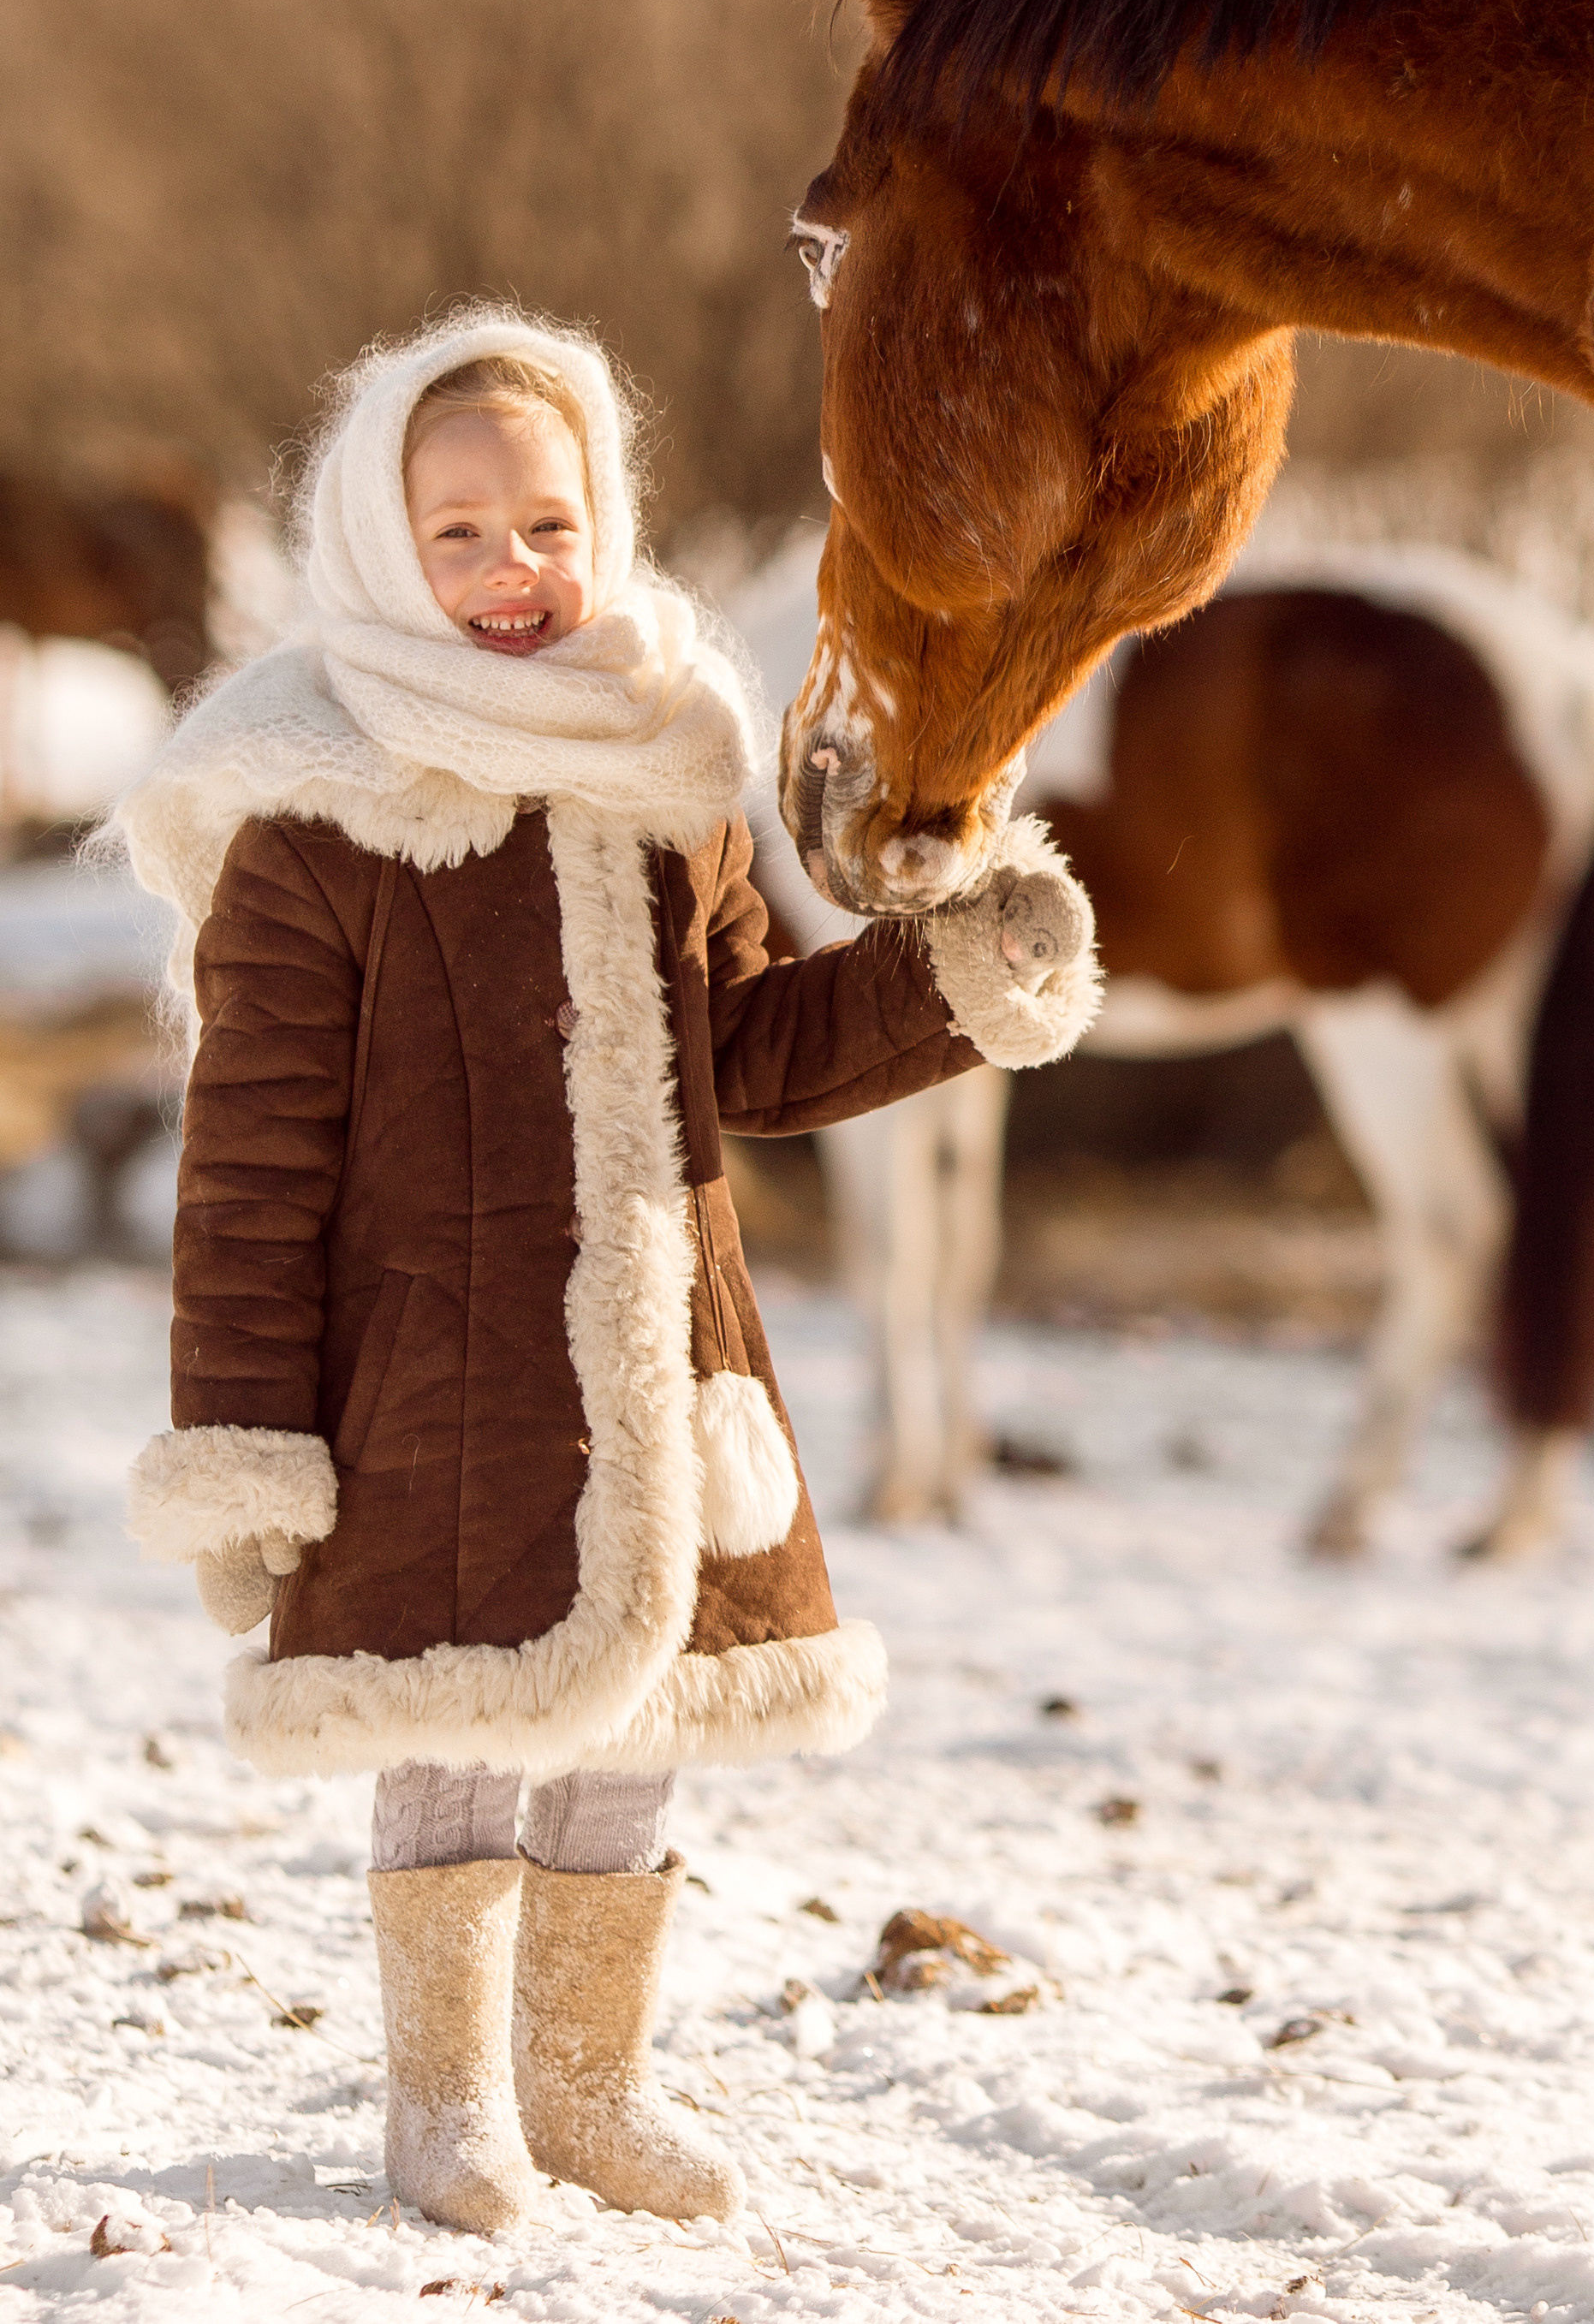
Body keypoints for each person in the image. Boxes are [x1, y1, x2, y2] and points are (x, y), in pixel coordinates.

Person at [115, 308, 1100, 2238]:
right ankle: (447, 2099)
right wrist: (242, 1442)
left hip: (663, 1354)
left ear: (609, 524)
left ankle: (587, 2086)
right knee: (466, 1726)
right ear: (383, 545)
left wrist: (956, 980)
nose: (512, 572)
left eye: (548, 527)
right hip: (433, 1374)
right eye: (461, 533)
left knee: (639, 1728)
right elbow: (248, 1170)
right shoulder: (316, 813)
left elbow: (753, 1050)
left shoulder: (669, 770)